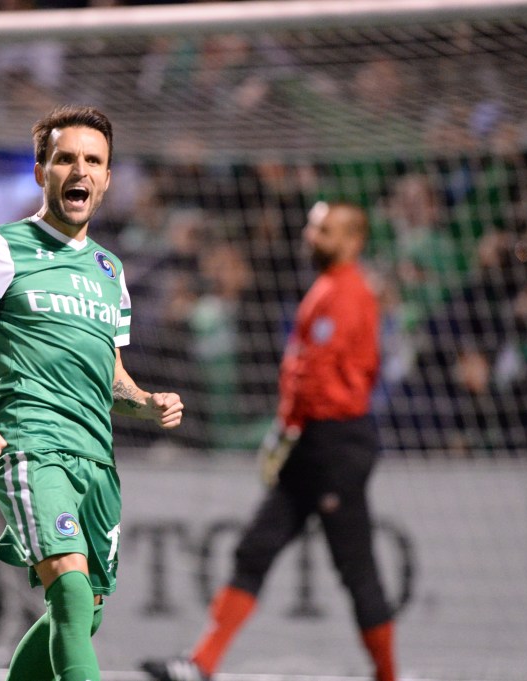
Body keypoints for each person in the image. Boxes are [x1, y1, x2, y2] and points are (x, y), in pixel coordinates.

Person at [0, 104, 184, 681]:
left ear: (108, 178)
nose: (80, 170)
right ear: (42, 170)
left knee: (84, 612)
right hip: (30, 445)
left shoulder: (110, 271)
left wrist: (146, 402)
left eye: (93, 160)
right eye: (65, 158)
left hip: (96, 456)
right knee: (69, 591)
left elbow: (112, 378)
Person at [141, 201, 396, 681]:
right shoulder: (329, 289)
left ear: (354, 241)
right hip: (314, 442)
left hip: (333, 443)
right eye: (313, 227)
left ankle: (388, 674)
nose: (312, 236)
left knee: (356, 567)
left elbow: (317, 377)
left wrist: (286, 428)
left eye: (325, 230)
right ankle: (201, 664)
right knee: (256, 549)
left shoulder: (346, 294)